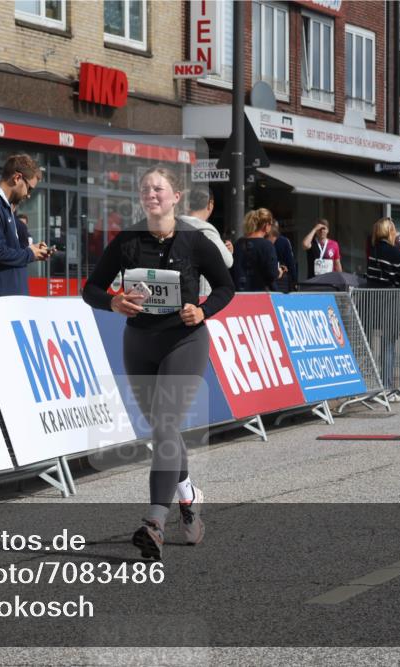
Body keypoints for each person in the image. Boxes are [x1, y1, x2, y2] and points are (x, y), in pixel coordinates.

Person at [82, 166, 234, 560]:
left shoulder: (195, 241)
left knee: (167, 424)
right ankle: (188, 494)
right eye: (146, 188)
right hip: (139, 342)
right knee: (160, 431)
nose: (152, 194)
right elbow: (91, 289)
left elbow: (226, 287)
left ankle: (154, 521)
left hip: (184, 341)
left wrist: (202, 312)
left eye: (159, 188)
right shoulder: (128, 240)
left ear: (176, 197)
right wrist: (113, 301)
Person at [0, 154, 51, 296]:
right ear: (17, 178)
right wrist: (30, 254)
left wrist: (32, 249)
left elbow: (10, 251)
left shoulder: (8, 209)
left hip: (13, 301)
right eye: (29, 188)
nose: (29, 195)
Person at [366, 218, 400, 390]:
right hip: (391, 303)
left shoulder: (374, 250)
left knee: (375, 345)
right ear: (389, 232)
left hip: (373, 303)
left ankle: (377, 385)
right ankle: (386, 387)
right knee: (388, 346)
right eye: (394, 230)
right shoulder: (393, 252)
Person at [178, 187, 233, 296]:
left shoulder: (175, 226)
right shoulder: (206, 232)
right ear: (210, 204)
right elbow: (228, 261)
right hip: (199, 295)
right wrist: (228, 252)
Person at [231, 209, 282, 292]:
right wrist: (278, 272)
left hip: (240, 295)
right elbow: (272, 274)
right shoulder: (267, 246)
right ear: (266, 225)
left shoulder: (237, 244)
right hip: (261, 295)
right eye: (270, 224)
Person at [267, 220, 297, 292]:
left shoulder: (283, 242)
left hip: (280, 278)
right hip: (274, 277)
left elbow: (290, 263)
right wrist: (294, 280)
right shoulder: (284, 241)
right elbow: (290, 263)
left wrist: (294, 280)